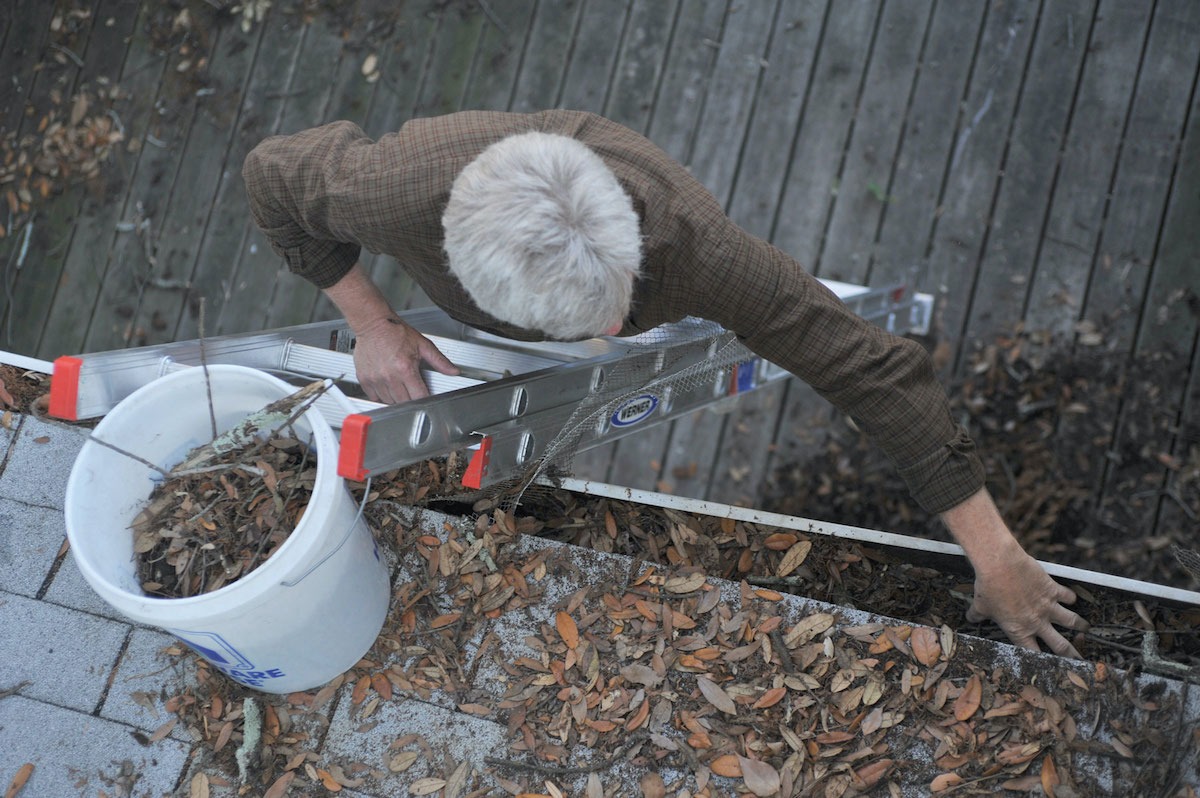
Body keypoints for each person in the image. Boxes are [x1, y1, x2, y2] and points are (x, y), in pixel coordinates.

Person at [243, 110, 1088, 658]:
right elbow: (268, 178)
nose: (610, 339)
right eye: (586, 331)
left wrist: (997, 554)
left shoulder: (702, 254)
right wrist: (371, 321)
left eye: (615, 316)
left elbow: (871, 368)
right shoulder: (391, 188)